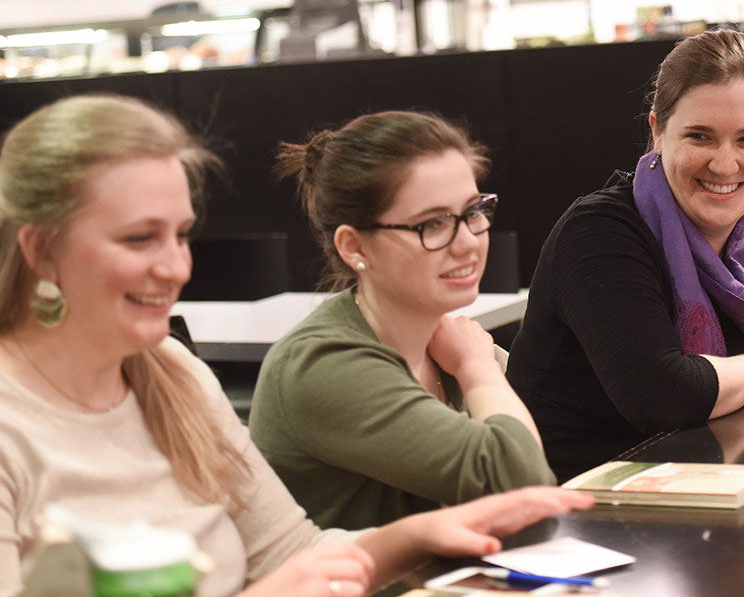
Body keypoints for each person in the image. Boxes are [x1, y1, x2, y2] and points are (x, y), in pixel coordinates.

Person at [0, 95, 590, 597]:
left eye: (180, 235)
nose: (175, 267)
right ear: (41, 250)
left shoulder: (172, 372)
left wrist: (420, 537)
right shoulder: (16, 422)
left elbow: (289, 550)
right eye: (138, 239)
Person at [506, 28, 744, 480]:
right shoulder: (598, 233)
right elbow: (665, 396)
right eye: (700, 137)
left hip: (701, 475)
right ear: (658, 132)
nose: (725, 166)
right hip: (583, 500)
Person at [248, 111, 555, 530]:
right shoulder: (325, 364)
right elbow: (523, 490)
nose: (468, 242)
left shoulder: (447, 341)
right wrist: (477, 368)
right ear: (355, 246)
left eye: (473, 212)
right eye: (432, 223)